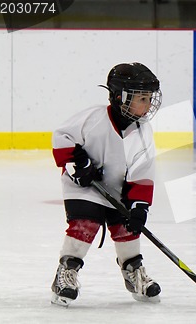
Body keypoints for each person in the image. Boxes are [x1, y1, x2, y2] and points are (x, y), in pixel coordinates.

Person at [50, 62, 163, 307]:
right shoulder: (93, 118)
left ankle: (133, 271)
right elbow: (62, 137)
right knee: (84, 224)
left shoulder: (143, 132)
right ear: (120, 97)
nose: (147, 105)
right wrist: (77, 164)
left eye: (149, 98)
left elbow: (142, 171)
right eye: (141, 98)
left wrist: (139, 206)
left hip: (118, 190)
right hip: (84, 187)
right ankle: (66, 273)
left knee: (128, 229)